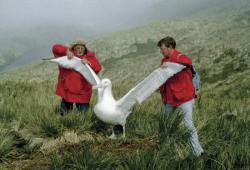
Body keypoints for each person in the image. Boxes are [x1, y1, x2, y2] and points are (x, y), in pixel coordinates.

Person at [158, 36, 204, 156]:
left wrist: (170, 64)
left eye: (163, 49)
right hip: (170, 99)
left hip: (184, 99)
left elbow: (188, 62)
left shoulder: (180, 57)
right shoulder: (164, 61)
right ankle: (165, 148)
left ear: (170, 47)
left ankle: (198, 153)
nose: (161, 51)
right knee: (163, 123)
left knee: (188, 125)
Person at [52, 39, 102, 115]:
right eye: (78, 48)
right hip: (68, 90)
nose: (80, 50)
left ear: (85, 49)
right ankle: (64, 124)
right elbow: (55, 48)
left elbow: (98, 68)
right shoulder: (67, 55)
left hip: (83, 91)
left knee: (84, 115)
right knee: (64, 114)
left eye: (82, 48)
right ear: (74, 48)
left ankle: (84, 125)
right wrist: (66, 51)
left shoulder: (89, 57)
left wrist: (89, 63)